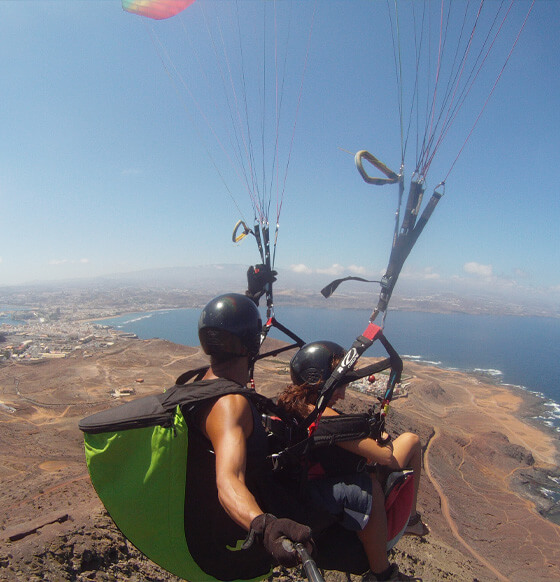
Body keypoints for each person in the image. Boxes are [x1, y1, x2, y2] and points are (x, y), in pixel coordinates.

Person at [277, 340, 428, 581]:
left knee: (407, 442)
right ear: (319, 379)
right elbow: (384, 456)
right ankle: (386, 564)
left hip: (314, 481)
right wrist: (384, 437)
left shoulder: (295, 405)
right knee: (409, 444)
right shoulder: (323, 417)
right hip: (321, 494)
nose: (343, 394)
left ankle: (409, 521)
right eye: (339, 384)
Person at [190, 292, 315, 575]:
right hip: (230, 544)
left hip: (202, 524)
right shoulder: (229, 404)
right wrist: (265, 525)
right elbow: (229, 480)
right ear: (251, 345)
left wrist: (249, 300)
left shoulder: (200, 382)